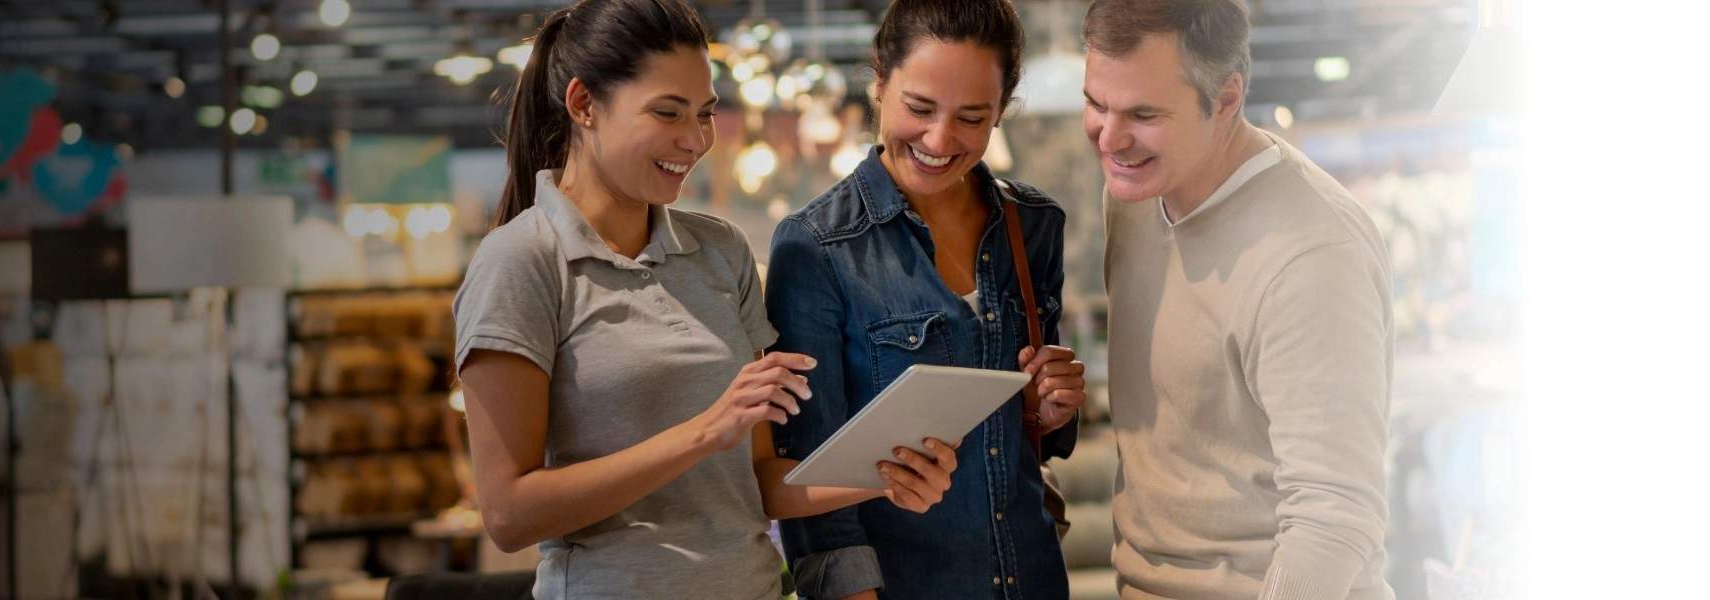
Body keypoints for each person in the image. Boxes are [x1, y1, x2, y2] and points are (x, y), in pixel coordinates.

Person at [453, 1, 958, 598]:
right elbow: (509, 514)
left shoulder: (720, 250)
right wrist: (704, 431)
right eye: (668, 112)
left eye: (706, 113)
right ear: (584, 104)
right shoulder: (521, 260)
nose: (694, 141)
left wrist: (881, 473)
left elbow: (756, 481)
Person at [761, 1, 1088, 598]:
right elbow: (811, 481)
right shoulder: (815, 247)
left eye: (971, 117)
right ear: (879, 82)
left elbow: (1027, 439)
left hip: (1034, 576)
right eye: (919, 108)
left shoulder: (1034, 225)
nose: (939, 139)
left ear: (1001, 112)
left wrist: (1051, 409)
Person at [1081, 0, 1396, 598]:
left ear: (1225, 99)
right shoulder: (1135, 195)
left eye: (1144, 113)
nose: (1111, 138)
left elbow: (1333, 517)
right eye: (1096, 104)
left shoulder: (1312, 255)